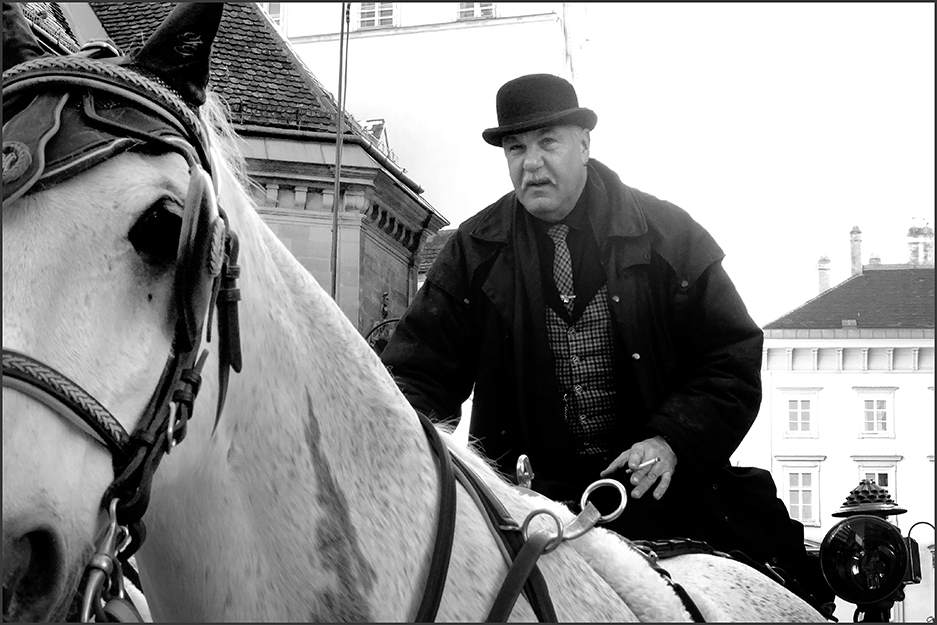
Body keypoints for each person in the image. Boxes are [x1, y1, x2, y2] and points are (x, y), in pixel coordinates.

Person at [381, 73, 834, 616]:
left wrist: (672, 440)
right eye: (516, 147)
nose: (530, 163)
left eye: (547, 143)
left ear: (585, 144)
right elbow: (417, 379)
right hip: (528, 508)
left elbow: (729, 354)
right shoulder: (471, 255)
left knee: (788, 593)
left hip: (664, 496)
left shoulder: (669, 235)